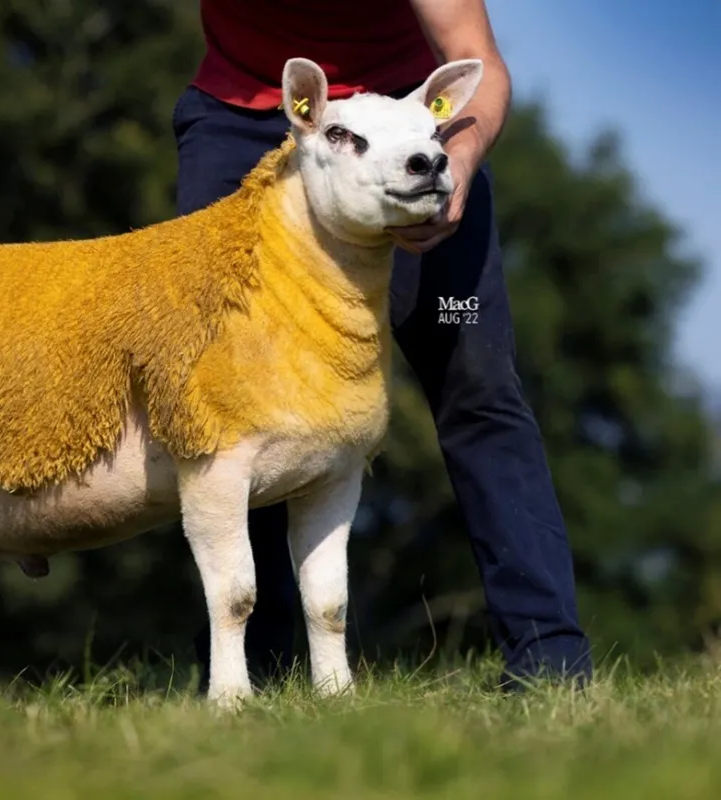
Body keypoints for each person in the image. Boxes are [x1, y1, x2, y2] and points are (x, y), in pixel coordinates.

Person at [172, 0, 592, 691]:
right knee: (235, 404)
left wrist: (455, 161)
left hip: (407, 131)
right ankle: (256, 671)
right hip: (240, 126)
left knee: (476, 382)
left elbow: (476, 57)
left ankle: (550, 664)